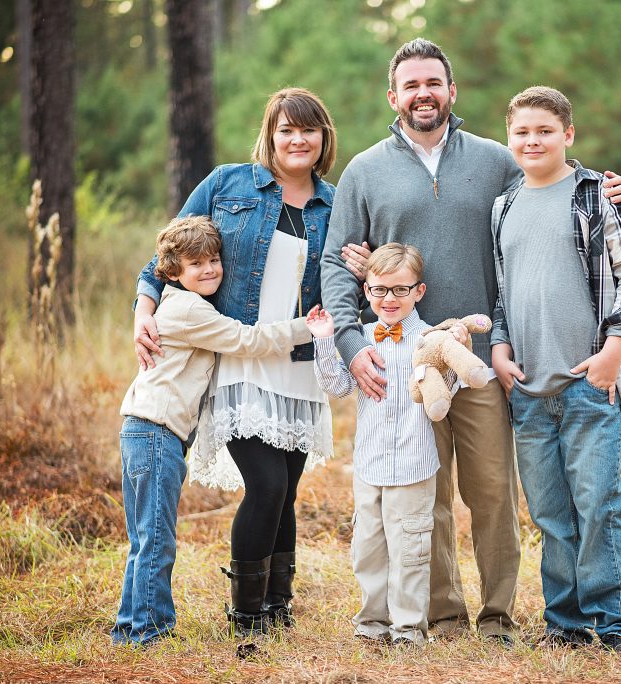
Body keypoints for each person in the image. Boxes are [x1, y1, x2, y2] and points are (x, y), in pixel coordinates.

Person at [320, 38, 621, 645]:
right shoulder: (364, 171)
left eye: (433, 83)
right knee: (427, 495)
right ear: (394, 96)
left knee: (494, 492)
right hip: (405, 363)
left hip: (484, 361)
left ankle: (498, 616)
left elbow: (556, 177)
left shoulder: (495, 160)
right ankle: (443, 615)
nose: (423, 94)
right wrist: (349, 341)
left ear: (452, 91)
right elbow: (339, 264)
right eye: (411, 85)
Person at [132, 88, 364, 643]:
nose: (297, 140)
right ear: (272, 133)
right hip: (241, 356)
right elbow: (165, 255)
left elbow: (358, 276)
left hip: (300, 360)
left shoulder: (336, 204)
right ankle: (245, 613)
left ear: (323, 138)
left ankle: (278, 604)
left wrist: (362, 263)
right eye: (287, 129)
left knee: (286, 485)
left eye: (308, 130)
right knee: (263, 485)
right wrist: (143, 309)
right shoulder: (227, 184)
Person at [490, 86, 621, 651]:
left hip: (592, 382)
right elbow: (504, 291)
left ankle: (617, 622)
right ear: (509, 137)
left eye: (545, 131)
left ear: (568, 135)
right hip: (530, 390)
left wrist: (615, 351)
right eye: (522, 132)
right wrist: (500, 347)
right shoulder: (505, 205)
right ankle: (565, 623)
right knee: (550, 513)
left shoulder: (599, 196)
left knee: (599, 503)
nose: (532, 141)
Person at [113, 216, 311, 647]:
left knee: (146, 535)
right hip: (154, 433)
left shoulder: (182, 304)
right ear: (171, 272)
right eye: (196, 263)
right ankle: (149, 631)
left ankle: (129, 626)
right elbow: (246, 341)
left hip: (148, 432)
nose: (209, 270)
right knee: (157, 539)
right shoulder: (189, 311)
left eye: (215, 260)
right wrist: (305, 327)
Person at [308, 243, 465, 646]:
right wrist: (327, 340)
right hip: (370, 465)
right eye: (379, 290)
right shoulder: (359, 339)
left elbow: (447, 392)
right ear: (366, 291)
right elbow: (338, 385)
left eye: (400, 289)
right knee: (368, 549)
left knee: (411, 549)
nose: (389, 299)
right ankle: (371, 625)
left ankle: (409, 628)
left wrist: (451, 359)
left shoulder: (432, 340)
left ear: (419, 291)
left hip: (414, 465)